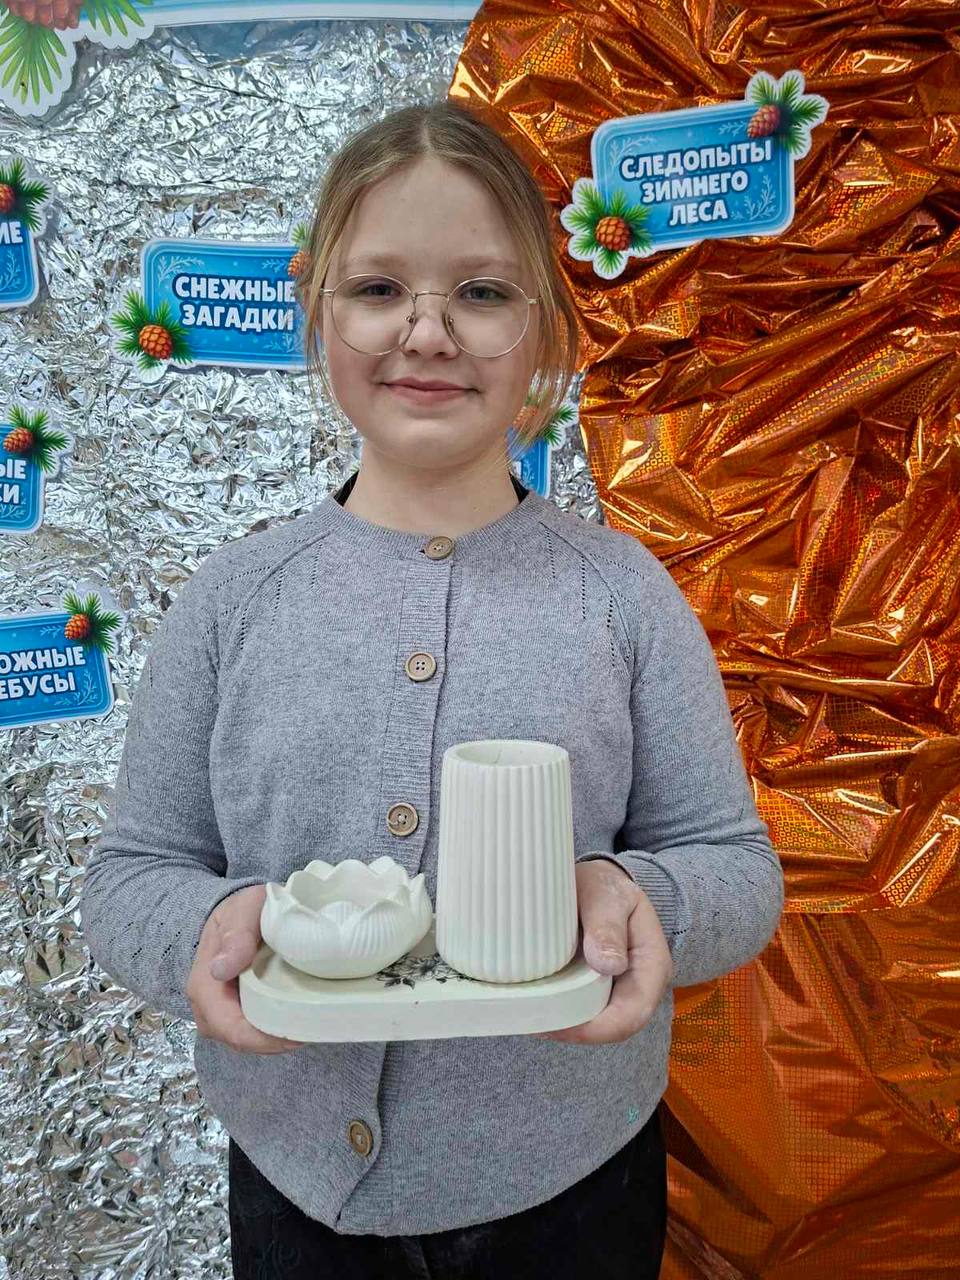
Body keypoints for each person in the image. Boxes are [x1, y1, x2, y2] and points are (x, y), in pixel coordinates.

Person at [78, 100, 785, 1279]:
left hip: (576, 1181)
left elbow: (736, 866)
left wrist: (640, 895)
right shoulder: (233, 599)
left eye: (483, 291)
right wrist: (202, 928)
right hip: (298, 1190)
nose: (427, 330)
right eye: (378, 288)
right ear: (319, 314)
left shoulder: (621, 594)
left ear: (545, 328)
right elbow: (130, 873)